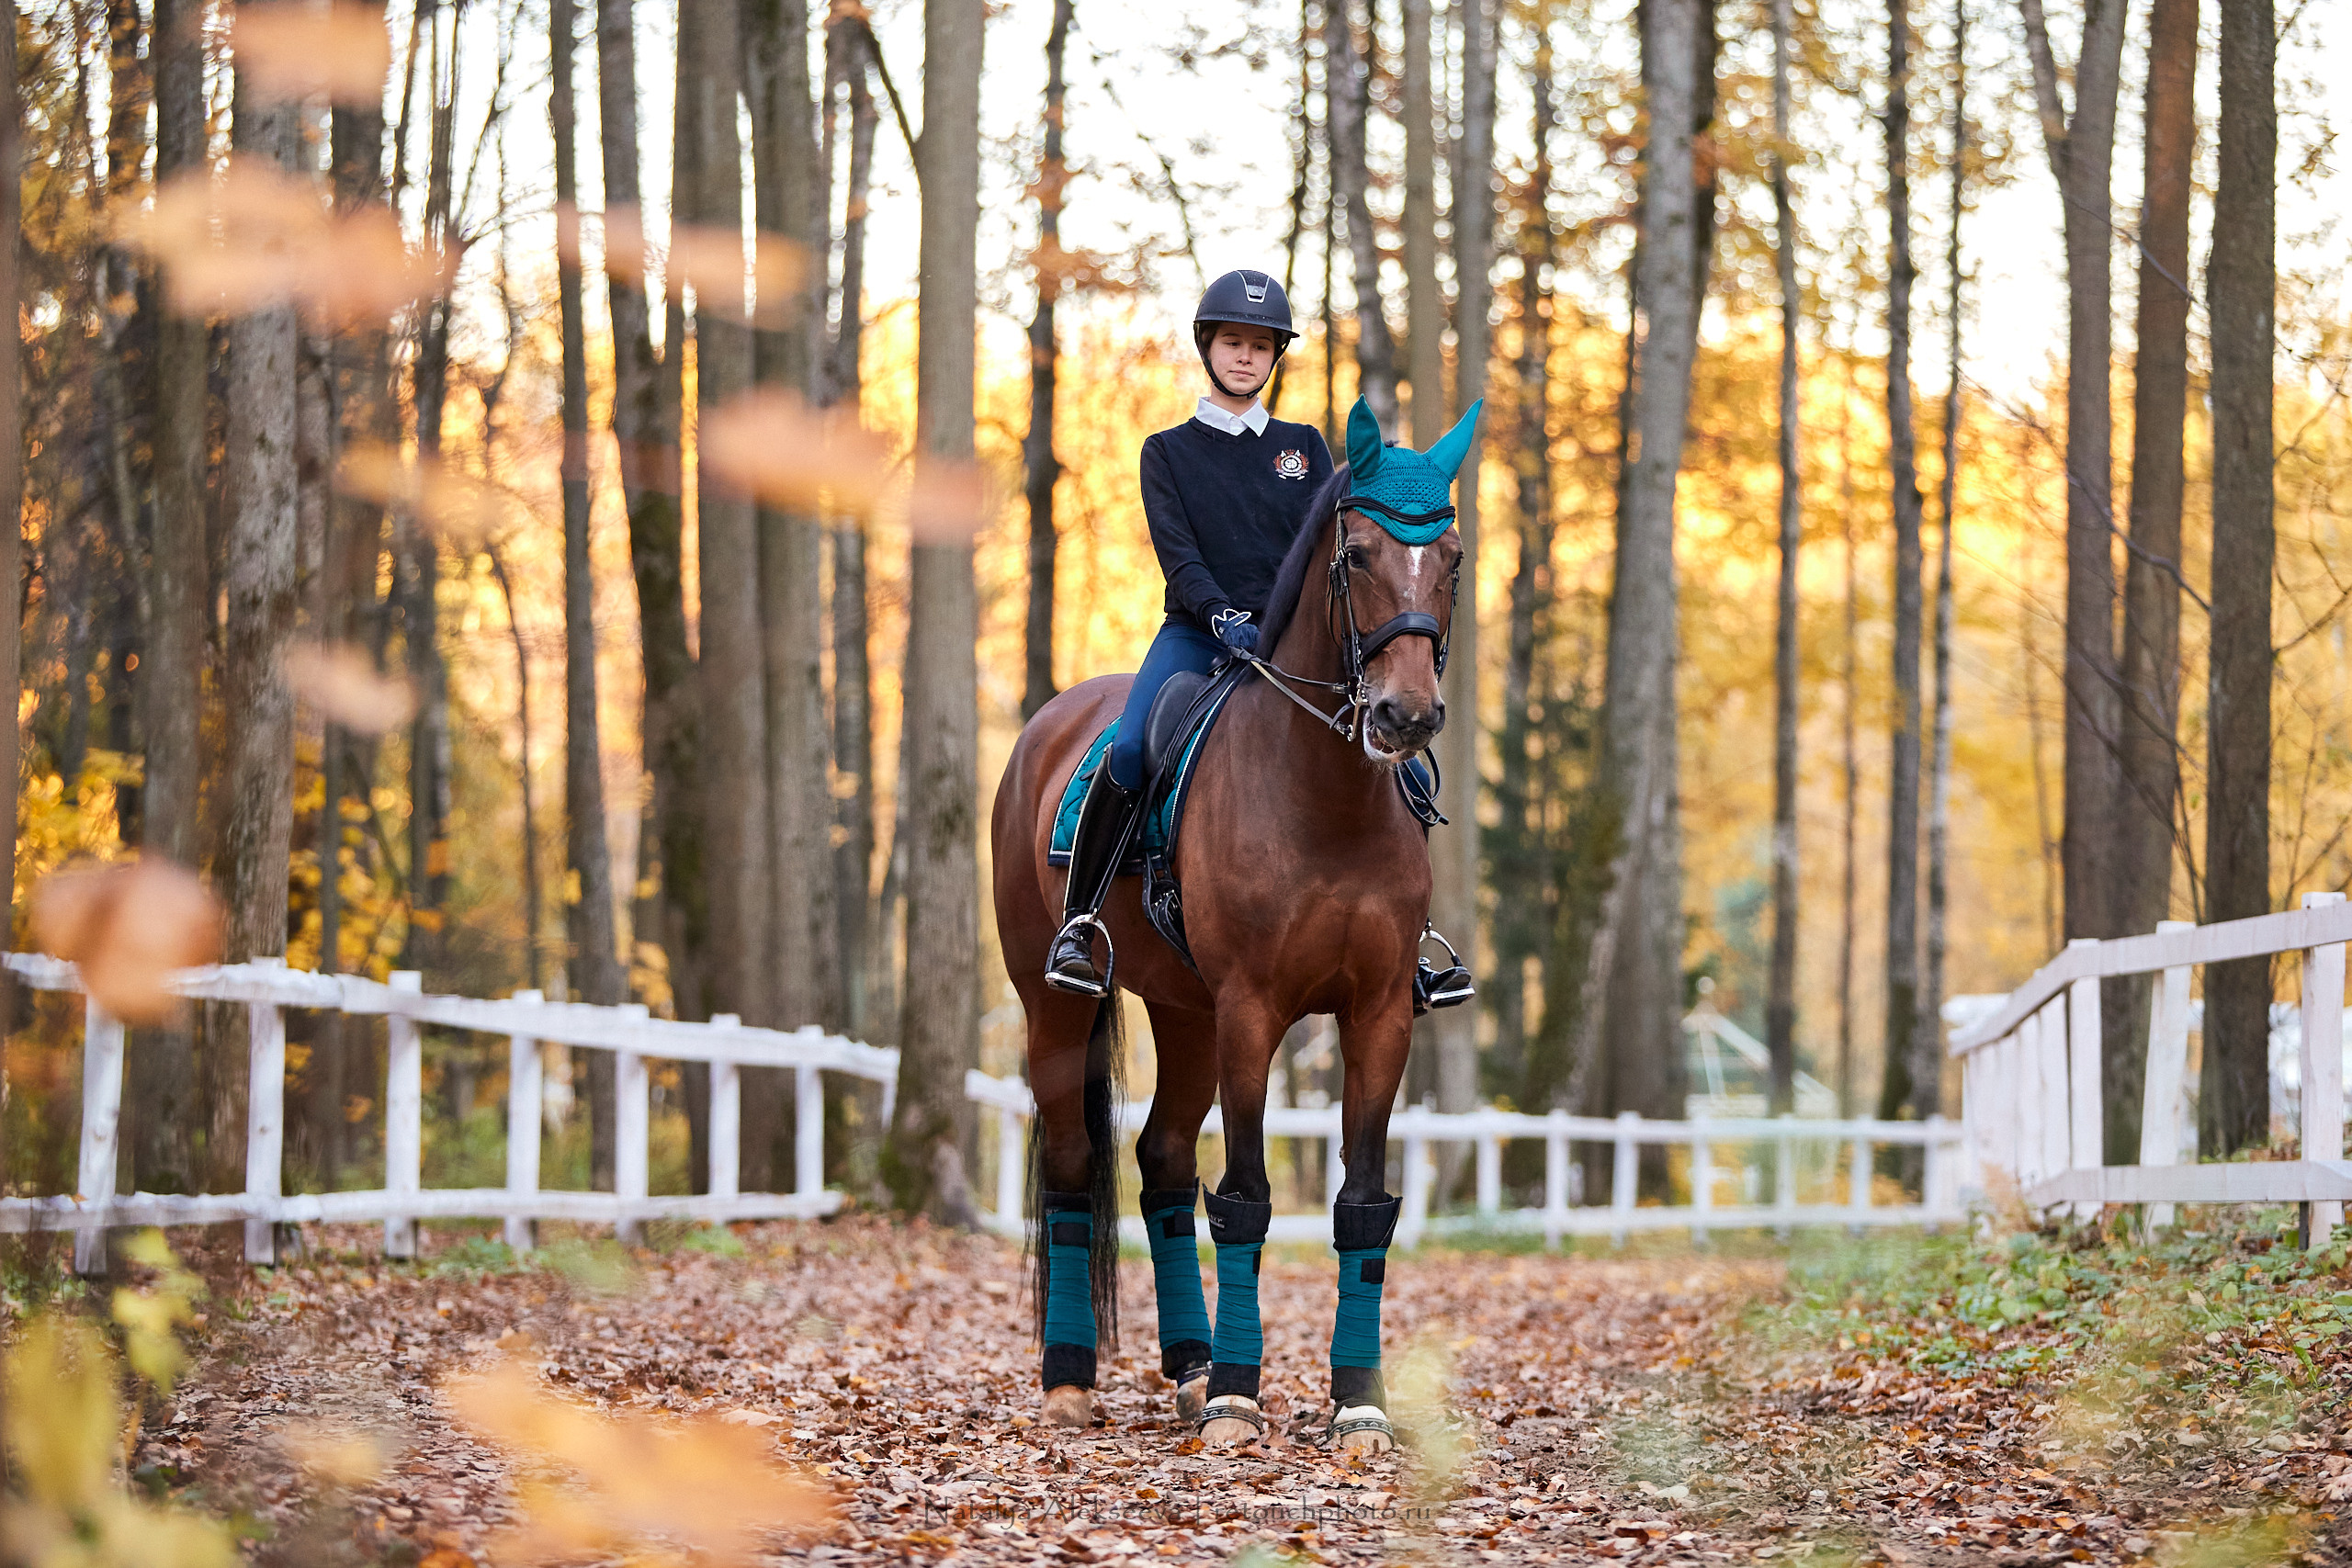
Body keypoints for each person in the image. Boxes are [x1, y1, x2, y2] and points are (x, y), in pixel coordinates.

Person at [1045, 268, 1335, 996]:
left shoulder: (1306, 447)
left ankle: (1416, 935)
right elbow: (1179, 556)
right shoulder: (1168, 452)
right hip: (1201, 635)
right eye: (1233, 341)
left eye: (1261, 345)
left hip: (1292, 646)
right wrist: (1222, 617)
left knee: (1393, 750)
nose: (1246, 356)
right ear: (1208, 347)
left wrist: (1292, 626)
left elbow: (1329, 550)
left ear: (1276, 357)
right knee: (1134, 743)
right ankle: (1082, 922)